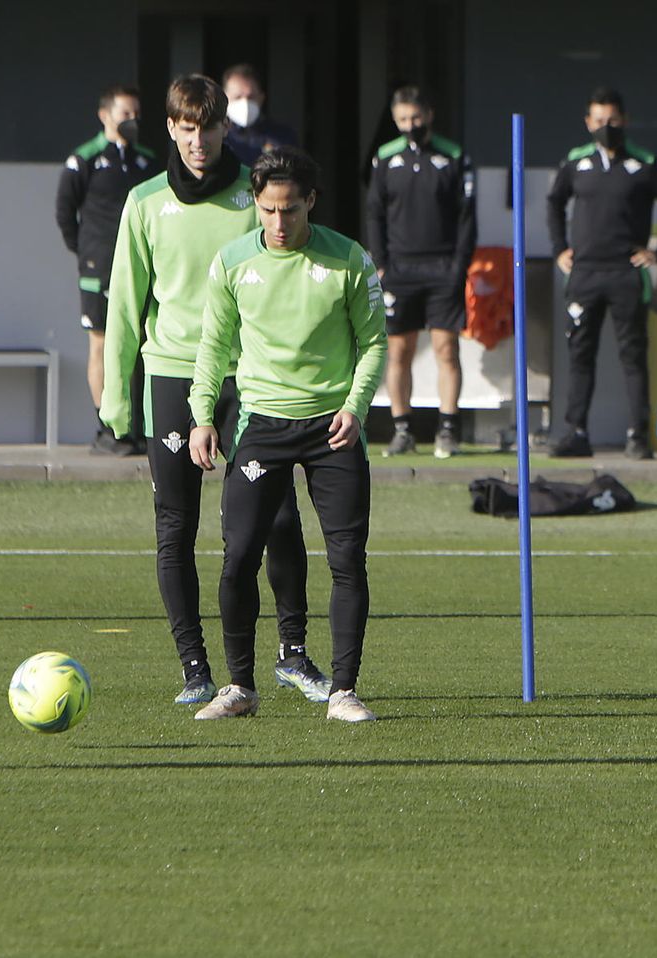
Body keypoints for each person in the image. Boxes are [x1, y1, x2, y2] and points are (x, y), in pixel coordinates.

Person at [103, 74, 327, 706]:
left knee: (277, 516)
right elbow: (125, 303)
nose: (198, 141)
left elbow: (291, 278)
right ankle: (195, 668)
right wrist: (118, 396)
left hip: (247, 379)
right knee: (175, 526)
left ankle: (292, 654)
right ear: (171, 130)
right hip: (173, 375)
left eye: (208, 128)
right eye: (186, 129)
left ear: (226, 128)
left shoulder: (255, 199)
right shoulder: (144, 202)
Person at [188, 146, 388, 723]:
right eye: (269, 210)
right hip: (263, 424)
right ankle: (239, 688)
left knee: (347, 559)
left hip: (333, 427)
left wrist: (355, 407)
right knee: (238, 558)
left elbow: (374, 343)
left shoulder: (348, 260)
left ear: (311, 203)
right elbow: (213, 346)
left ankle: (344, 692)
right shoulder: (232, 263)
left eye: (291, 210)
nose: (279, 223)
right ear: (255, 203)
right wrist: (203, 415)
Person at [546, 86, 657, 459]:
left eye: (612, 120)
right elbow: (554, 202)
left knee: (633, 356)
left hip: (626, 273)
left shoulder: (646, 163)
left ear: (625, 120)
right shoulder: (575, 162)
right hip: (584, 274)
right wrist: (559, 249)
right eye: (599, 120)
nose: (606, 127)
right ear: (587, 122)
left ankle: (637, 437)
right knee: (580, 354)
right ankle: (576, 433)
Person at [366, 85, 477, 459]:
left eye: (415, 117)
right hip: (399, 269)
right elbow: (374, 212)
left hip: (443, 267)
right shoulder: (385, 158)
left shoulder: (454, 156)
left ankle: (448, 430)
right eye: (402, 119)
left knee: (447, 348)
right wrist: (381, 263)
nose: (410, 125)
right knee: (399, 350)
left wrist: (459, 266)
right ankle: (403, 430)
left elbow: (467, 217)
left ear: (428, 115)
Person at [55, 83, 159, 455]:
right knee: (101, 345)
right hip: (98, 268)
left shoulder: (147, 160)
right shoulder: (85, 159)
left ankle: (140, 427)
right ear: (105, 115)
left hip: (140, 267)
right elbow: (65, 214)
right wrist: (88, 253)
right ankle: (108, 428)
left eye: (136, 114)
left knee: (141, 345)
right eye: (125, 113)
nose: (132, 120)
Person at [221, 64, 298, 166]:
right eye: (237, 97)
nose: (245, 102)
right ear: (224, 98)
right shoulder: (217, 136)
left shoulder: (283, 136)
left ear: (261, 98)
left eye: (251, 97)